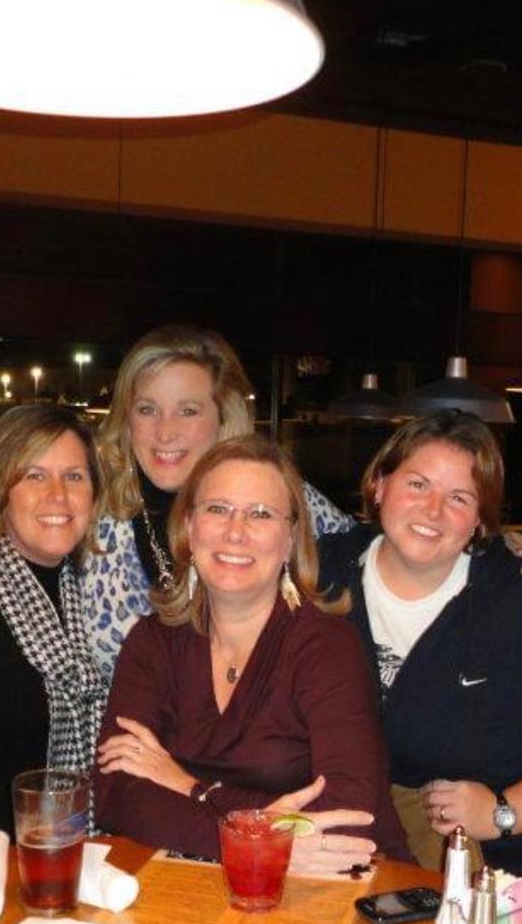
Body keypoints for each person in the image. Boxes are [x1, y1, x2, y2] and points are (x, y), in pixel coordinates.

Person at [94, 435, 409, 873]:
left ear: (290, 538)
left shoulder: (327, 646)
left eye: (260, 514)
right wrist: (258, 840)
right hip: (205, 877)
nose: (235, 532)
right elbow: (117, 797)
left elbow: (346, 822)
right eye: (218, 509)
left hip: (338, 887)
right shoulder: (152, 642)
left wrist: (190, 788)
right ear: (188, 527)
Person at [81, 323, 352, 682]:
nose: (164, 431)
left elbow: (367, 570)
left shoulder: (279, 495)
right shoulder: (91, 509)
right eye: (147, 409)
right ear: (127, 419)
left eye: (188, 411)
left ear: (223, 415)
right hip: (123, 734)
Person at [319, 409, 522, 874]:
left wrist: (501, 812)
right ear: (380, 485)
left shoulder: (510, 601)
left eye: (459, 497)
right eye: (418, 484)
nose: (433, 511)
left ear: (478, 521)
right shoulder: (317, 577)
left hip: (491, 870)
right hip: (339, 840)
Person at [0, 404, 107, 840]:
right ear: (1, 488)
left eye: (74, 476)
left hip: (68, 862)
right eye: (34, 475)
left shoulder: (96, 601)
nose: (58, 495)